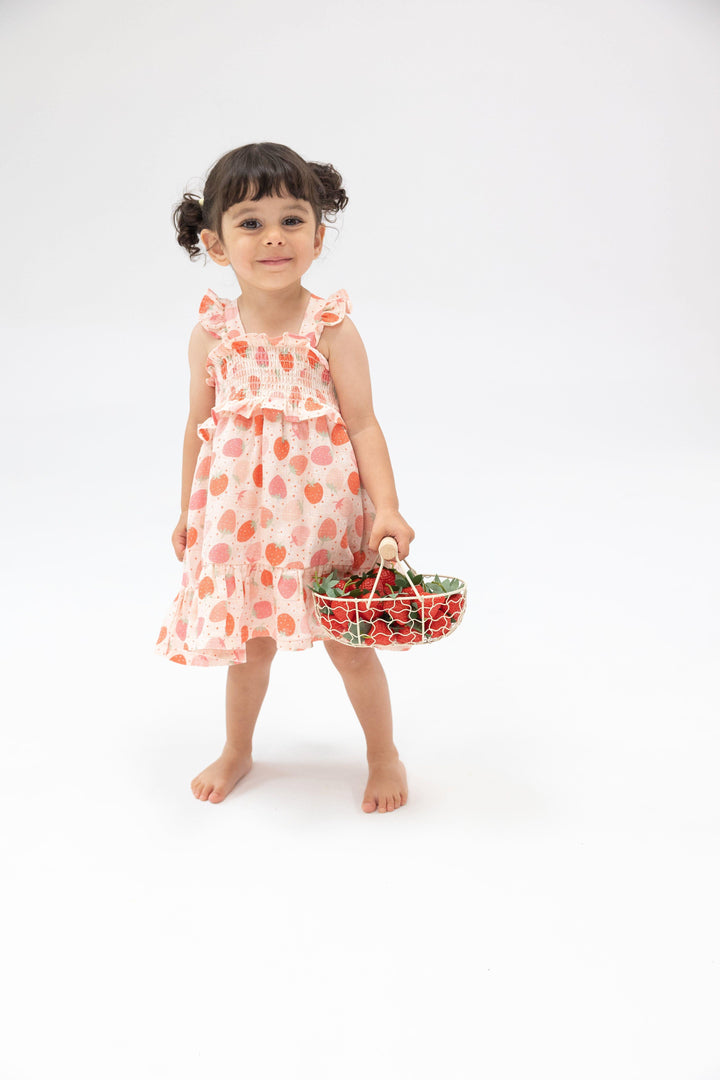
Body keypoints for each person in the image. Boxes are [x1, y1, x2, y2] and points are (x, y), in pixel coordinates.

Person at [154, 141, 415, 814]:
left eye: (292, 220)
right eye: (251, 223)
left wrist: (387, 507)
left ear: (318, 237)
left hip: (321, 519)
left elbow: (364, 425)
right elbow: (198, 426)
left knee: (349, 646)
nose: (274, 237)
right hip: (240, 521)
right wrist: (187, 512)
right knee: (250, 648)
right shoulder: (212, 334)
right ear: (216, 244)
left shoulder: (330, 328)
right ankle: (238, 749)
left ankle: (383, 753)